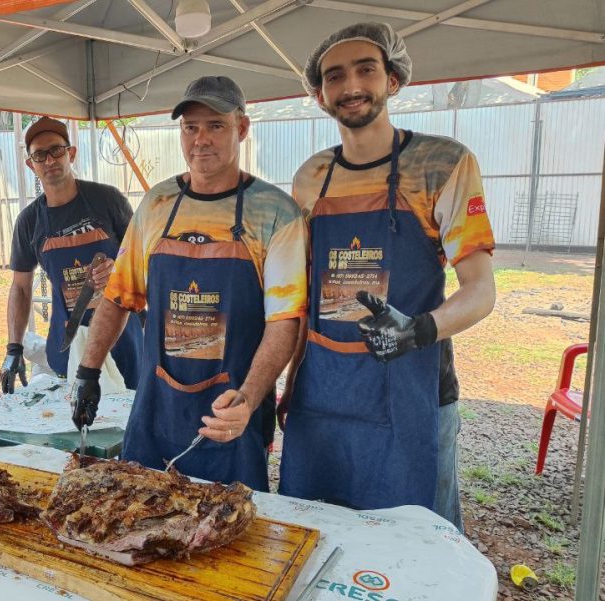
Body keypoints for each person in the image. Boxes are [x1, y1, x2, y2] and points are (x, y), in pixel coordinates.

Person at [278, 23, 496, 531]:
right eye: (335, 76)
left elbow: (481, 291)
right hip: (324, 388)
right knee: (318, 527)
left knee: (419, 537)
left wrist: (418, 330)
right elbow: (303, 296)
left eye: (366, 69)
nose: (351, 85)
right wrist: (290, 382)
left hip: (413, 386)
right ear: (320, 95)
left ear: (393, 79)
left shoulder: (442, 163)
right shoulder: (312, 177)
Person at [72, 76, 307, 489]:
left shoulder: (275, 212)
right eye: (190, 127)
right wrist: (87, 371)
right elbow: (119, 296)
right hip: (156, 407)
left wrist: (249, 399)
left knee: (228, 532)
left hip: (229, 410)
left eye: (215, 125)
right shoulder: (158, 204)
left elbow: (284, 321)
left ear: (242, 128)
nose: (201, 139)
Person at [0, 117, 143, 393]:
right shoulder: (29, 221)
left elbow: (145, 258)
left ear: (71, 153)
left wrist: (119, 269)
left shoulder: (107, 200)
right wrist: (14, 348)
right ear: (31, 165)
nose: (50, 160)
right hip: (69, 340)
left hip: (124, 339)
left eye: (56, 150)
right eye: (40, 155)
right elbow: (20, 286)